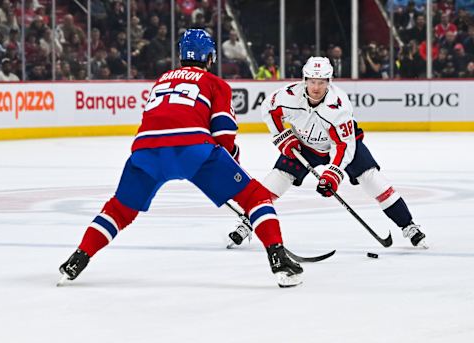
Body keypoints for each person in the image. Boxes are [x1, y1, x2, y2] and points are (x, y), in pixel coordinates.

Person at [58, 29, 303, 288]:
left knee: (119, 209)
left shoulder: (162, 80)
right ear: (210, 57)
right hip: (193, 149)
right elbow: (223, 132)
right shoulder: (215, 83)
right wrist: (231, 162)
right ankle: (279, 259)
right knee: (255, 197)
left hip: (145, 151)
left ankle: (79, 258)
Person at [229, 57, 427, 249]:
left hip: (341, 145)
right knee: (278, 177)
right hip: (304, 146)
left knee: (371, 178)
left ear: (329, 82)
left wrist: (333, 173)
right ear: (304, 80)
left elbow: (343, 146)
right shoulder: (288, 95)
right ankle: (248, 222)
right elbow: (269, 109)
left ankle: (408, 225)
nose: (316, 87)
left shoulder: (338, 106)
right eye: (312, 81)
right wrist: (282, 136)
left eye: (322, 82)